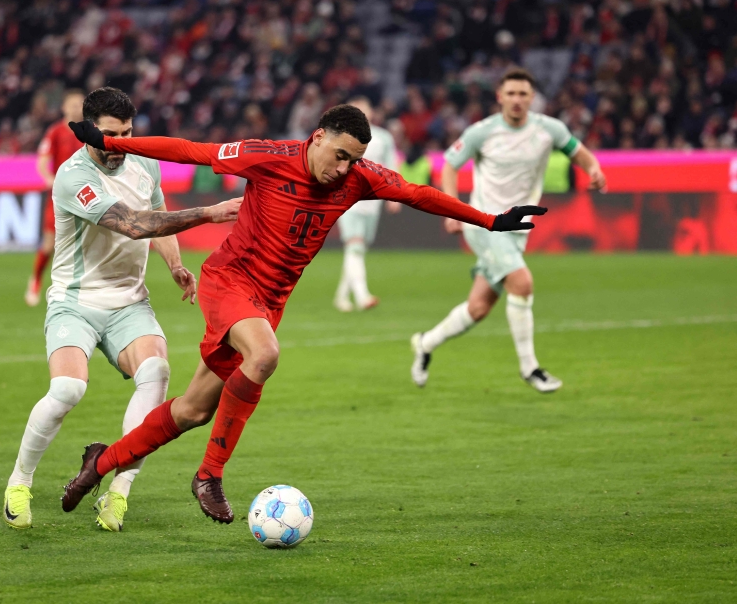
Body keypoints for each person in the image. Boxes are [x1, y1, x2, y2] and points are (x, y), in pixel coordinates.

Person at [59, 104, 545, 523]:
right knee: (265, 355)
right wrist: (105, 139)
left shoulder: (359, 179)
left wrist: (490, 220)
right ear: (317, 138)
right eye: (339, 155)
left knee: (193, 410)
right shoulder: (266, 157)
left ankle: (99, 464)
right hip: (230, 281)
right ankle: (209, 475)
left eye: (354, 160)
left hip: (269, 302)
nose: (344, 168)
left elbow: (419, 194)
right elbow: (191, 150)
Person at [2, 87, 242, 531]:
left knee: (157, 373)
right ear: (89, 132)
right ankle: (19, 482)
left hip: (129, 302)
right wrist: (209, 213)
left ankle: (118, 493)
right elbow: (134, 225)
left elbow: (158, 214)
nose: (117, 145)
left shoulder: (144, 162)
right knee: (68, 391)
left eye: (127, 134)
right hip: (76, 302)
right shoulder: (74, 176)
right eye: (108, 136)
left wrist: (174, 263)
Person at [410, 67, 606, 393]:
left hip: (517, 230)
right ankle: (530, 368)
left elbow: (579, 153)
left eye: (523, 94)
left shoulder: (549, 129)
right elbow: (449, 166)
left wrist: (594, 170)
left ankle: (425, 344)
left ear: (532, 98)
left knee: (478, 308)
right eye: (511, 93)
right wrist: (452, 210)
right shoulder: (481, 132)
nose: (516, 100)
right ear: (499, 97)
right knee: (522, 281)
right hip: (484, 221)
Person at [333, 95, 402, 312]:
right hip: (347, 199)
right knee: (354, 245)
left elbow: (392, 165)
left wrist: (394, 195)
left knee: (358, 248)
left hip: (372, 202)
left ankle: (341, 297)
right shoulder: (341, 138)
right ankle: (362, 296)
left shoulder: (383, 138)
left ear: (371, 112)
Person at [26, 90, 85, 306]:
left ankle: (76, 289)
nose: (76, 108)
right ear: (64, 107)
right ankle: (36, 280)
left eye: (80, 104)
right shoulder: (55, 132)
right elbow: (42, 161)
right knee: (49, 245)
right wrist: (50, 179)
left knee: (84, 245)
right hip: (60, 197)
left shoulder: (90, 132)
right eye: (72, 104)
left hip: (84, 197)